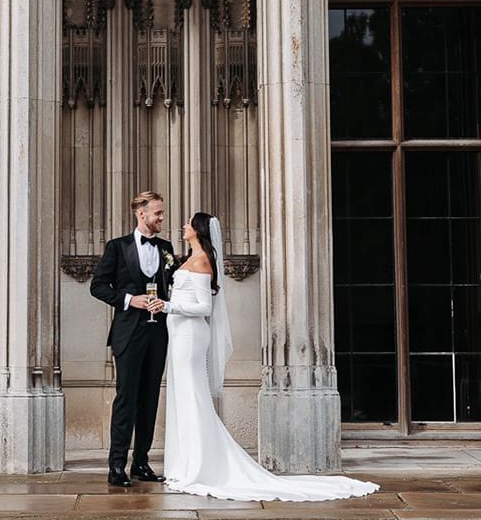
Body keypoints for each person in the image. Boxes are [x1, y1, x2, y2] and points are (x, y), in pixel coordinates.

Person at [161, 211, 379, 502]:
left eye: (189, 223)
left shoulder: (202, 262)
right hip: (177, 336)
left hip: (189, 336)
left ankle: (199, 465)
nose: (184, 226)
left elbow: (203, 307)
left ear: (198, 231)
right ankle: (184, 463)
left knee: (192, 396)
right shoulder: (188, 258)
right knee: (181, 397)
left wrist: (168, 307)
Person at [89, 190, 175, 487]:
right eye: (158, 213)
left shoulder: (166, 247)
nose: (162, 218)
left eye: (162, 213)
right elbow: (97, 286)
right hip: (128, 332)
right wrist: (129, 300)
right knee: (126, 397)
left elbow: (173, 284)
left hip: (158, 332)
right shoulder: (118, 247)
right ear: (141, 213)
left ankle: (141, 463)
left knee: (150, 397)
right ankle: (116, 466)